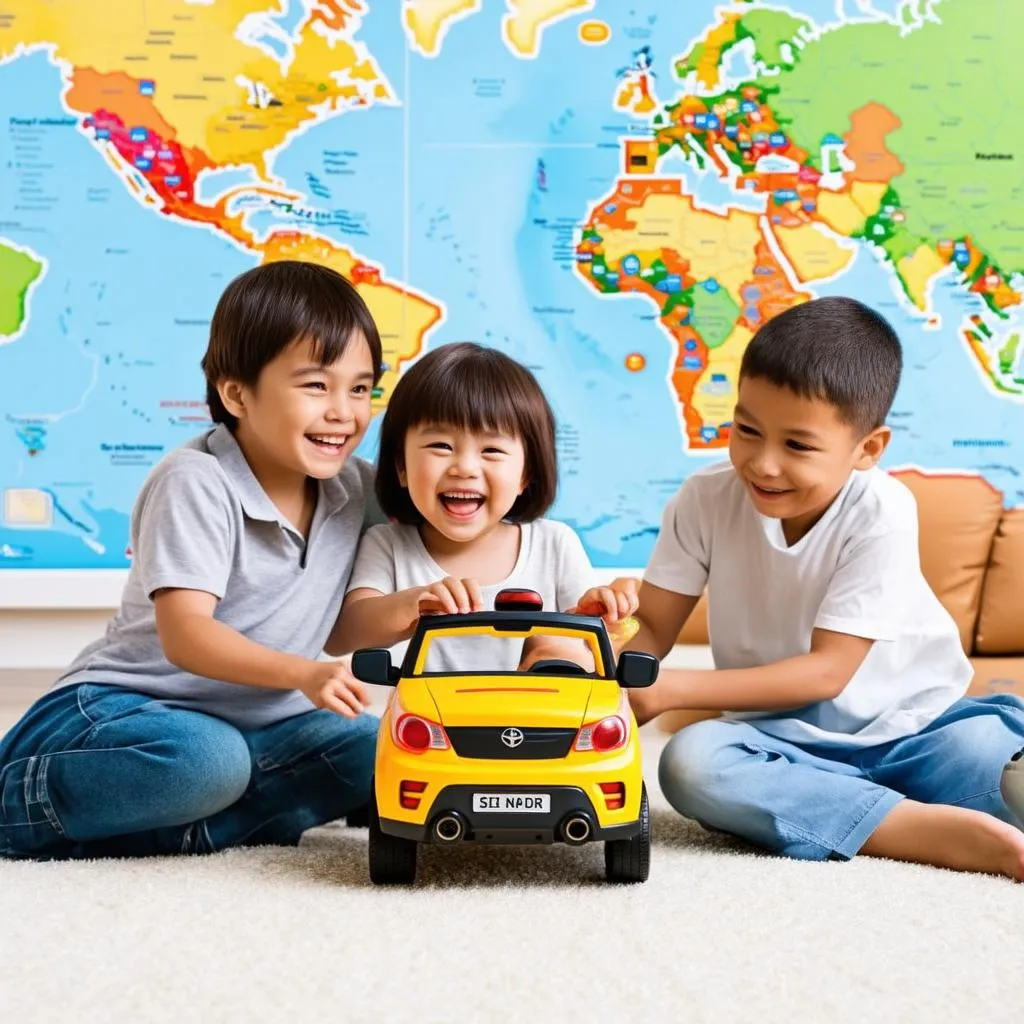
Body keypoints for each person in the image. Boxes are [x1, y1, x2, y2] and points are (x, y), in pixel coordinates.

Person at [578, 296, 1024, 880]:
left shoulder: (882, 509)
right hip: (782, 737)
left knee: (991, 765)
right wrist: (608, 655)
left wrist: (671, 689)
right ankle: (911, 829)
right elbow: (657, 628)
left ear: (867, 449)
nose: (762, 463)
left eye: (798, 445)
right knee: (690, 766)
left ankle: (861, 812)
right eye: (746, 430)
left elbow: (828, 672)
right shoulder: (703, 498)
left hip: (918, 728)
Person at [0, 260, 383, 860]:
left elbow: (451, 529)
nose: (344, 411)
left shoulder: (356, 489)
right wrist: (305, 674)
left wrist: (567, 588)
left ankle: (188, 830)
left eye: (361, 389)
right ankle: (17, 804)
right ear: (237, 393)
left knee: (371, 746)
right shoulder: (197, 480)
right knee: (204, 761)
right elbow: (187, 638)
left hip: (252, 727)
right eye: (316, 385)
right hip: (125, 711)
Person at [327, 342, 595, 673]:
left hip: (536, 720)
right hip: (425, 721)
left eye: (492, 450)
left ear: (526, 473)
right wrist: (414, 603)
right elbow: (348, 632)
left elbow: (594, 646)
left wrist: (610, 612)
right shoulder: (388, 545)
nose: (465, 467)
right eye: (441, 445)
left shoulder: (555, 545)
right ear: (402, 468)